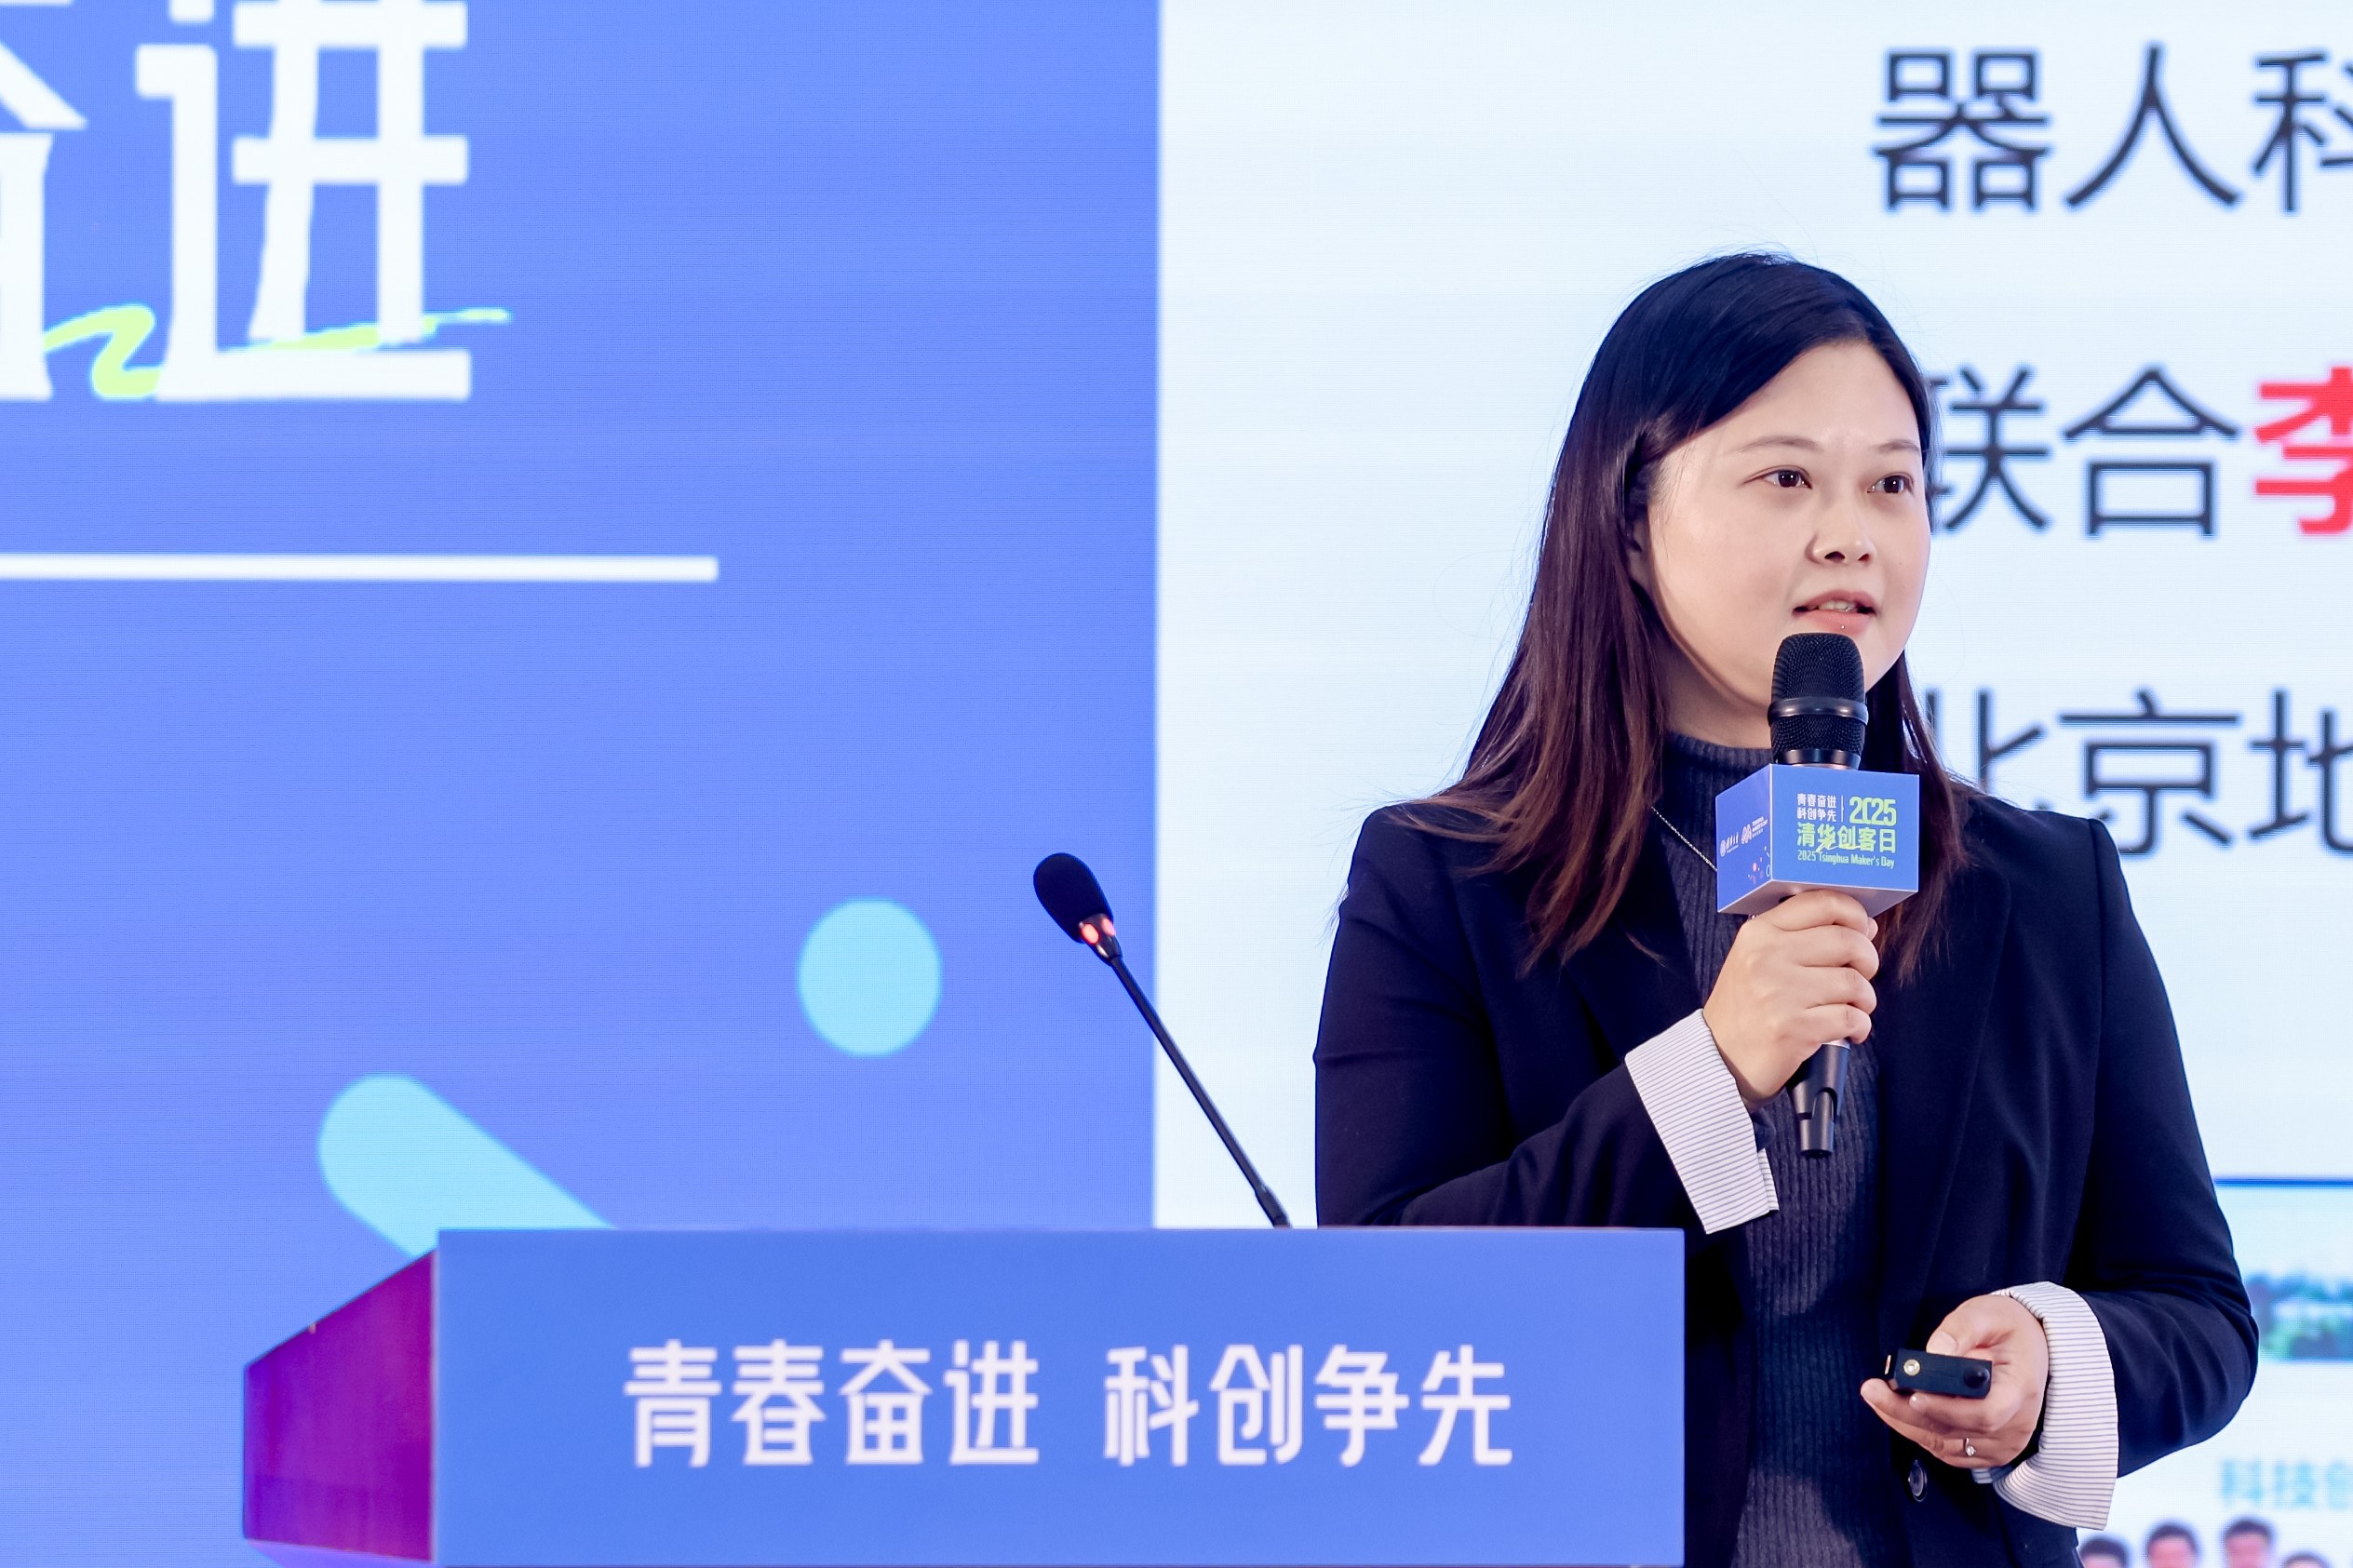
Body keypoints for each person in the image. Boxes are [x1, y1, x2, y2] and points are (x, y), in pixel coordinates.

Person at [1313, 254, 2257, 1567]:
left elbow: (2198, 1314)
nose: (1851, 534)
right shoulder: (1444, 879)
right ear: (1627, 521)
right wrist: (1710, 1073)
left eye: (1893, 484)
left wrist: (2054, 1364)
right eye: (1786, 478)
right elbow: (1381, 1313)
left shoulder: (2045, 891)